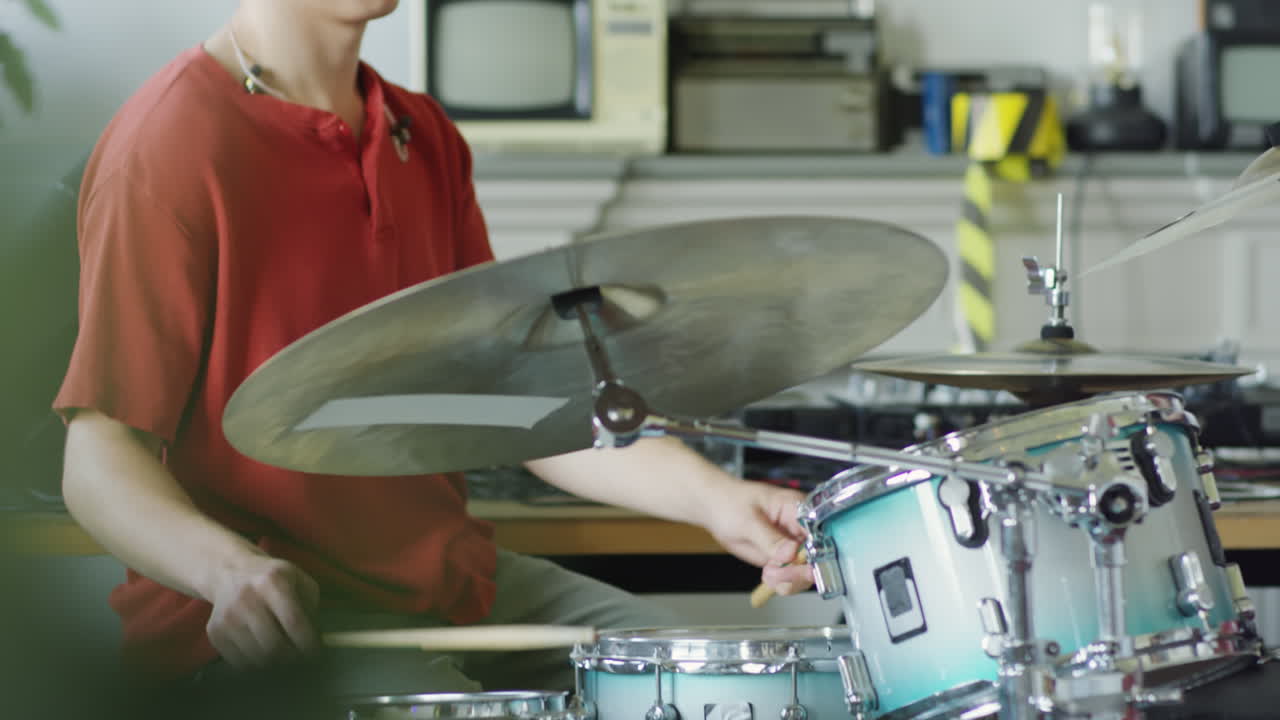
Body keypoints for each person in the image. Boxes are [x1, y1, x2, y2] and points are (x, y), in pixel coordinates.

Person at [53, 0, 815, 706]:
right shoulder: (168, 144)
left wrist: (719, 502)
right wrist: (230, 573)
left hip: (456, 587)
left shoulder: (421, 133)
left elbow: (521, 410)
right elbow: (96, 458)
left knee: (715, 686)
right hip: (267, 621)